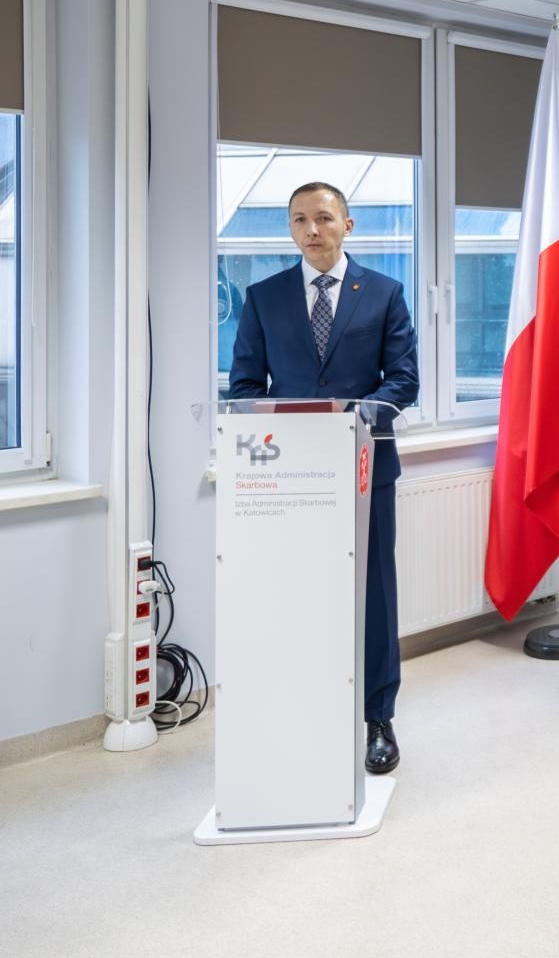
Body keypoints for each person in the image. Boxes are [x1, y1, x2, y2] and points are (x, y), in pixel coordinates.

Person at [228, 181, 419, 774]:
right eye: (299, 220)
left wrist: (356, 415)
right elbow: (242, 389)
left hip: (365, 469)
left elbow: (404, 380)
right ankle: (302, 712)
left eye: (323, 219)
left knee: (374, 597)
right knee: (298, 597)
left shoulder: (384, 293)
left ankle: (378, 718)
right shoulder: (262, 298)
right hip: (287, 479)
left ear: (348, 225)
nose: (312, 230)